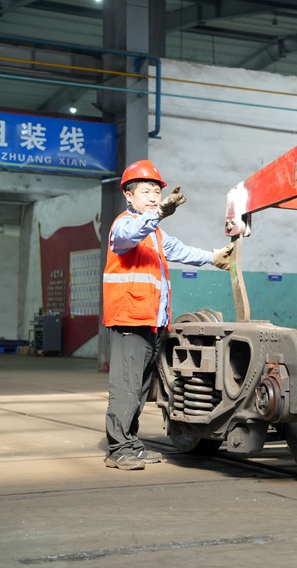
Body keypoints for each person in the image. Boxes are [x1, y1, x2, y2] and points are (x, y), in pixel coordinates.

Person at [102, 160, 233, 470]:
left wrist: (213, 257)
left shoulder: (156, 235)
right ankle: (118, 449)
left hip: (152, 321)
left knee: (140, 387)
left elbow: (180, 250)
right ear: (129, 196)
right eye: (146, 191)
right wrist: (159, 213)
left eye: (157, 192)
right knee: (126, 386)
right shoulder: (124, 225)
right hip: (129, 320)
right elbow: (130, 235)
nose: (153, 197)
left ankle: (131, 442)